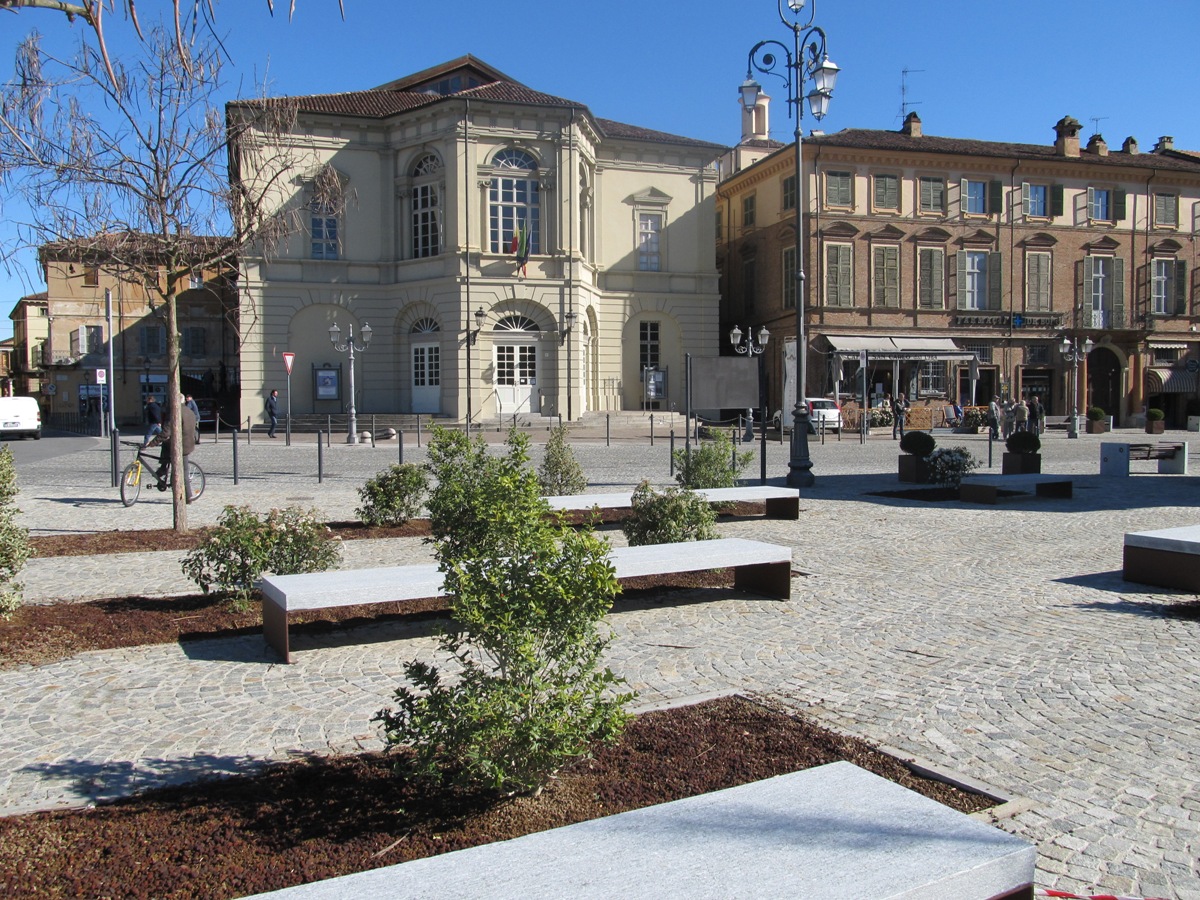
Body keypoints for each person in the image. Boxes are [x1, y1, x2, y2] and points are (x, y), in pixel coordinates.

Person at [156, 396, 198, 502]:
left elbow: (166, 432)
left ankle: (188, 496)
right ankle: (164, 466)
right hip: (189, 443)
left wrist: (152, 443)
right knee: (167, 445)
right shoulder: (190, 412)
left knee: (183, 471)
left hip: (180, 446)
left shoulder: (176, 413)